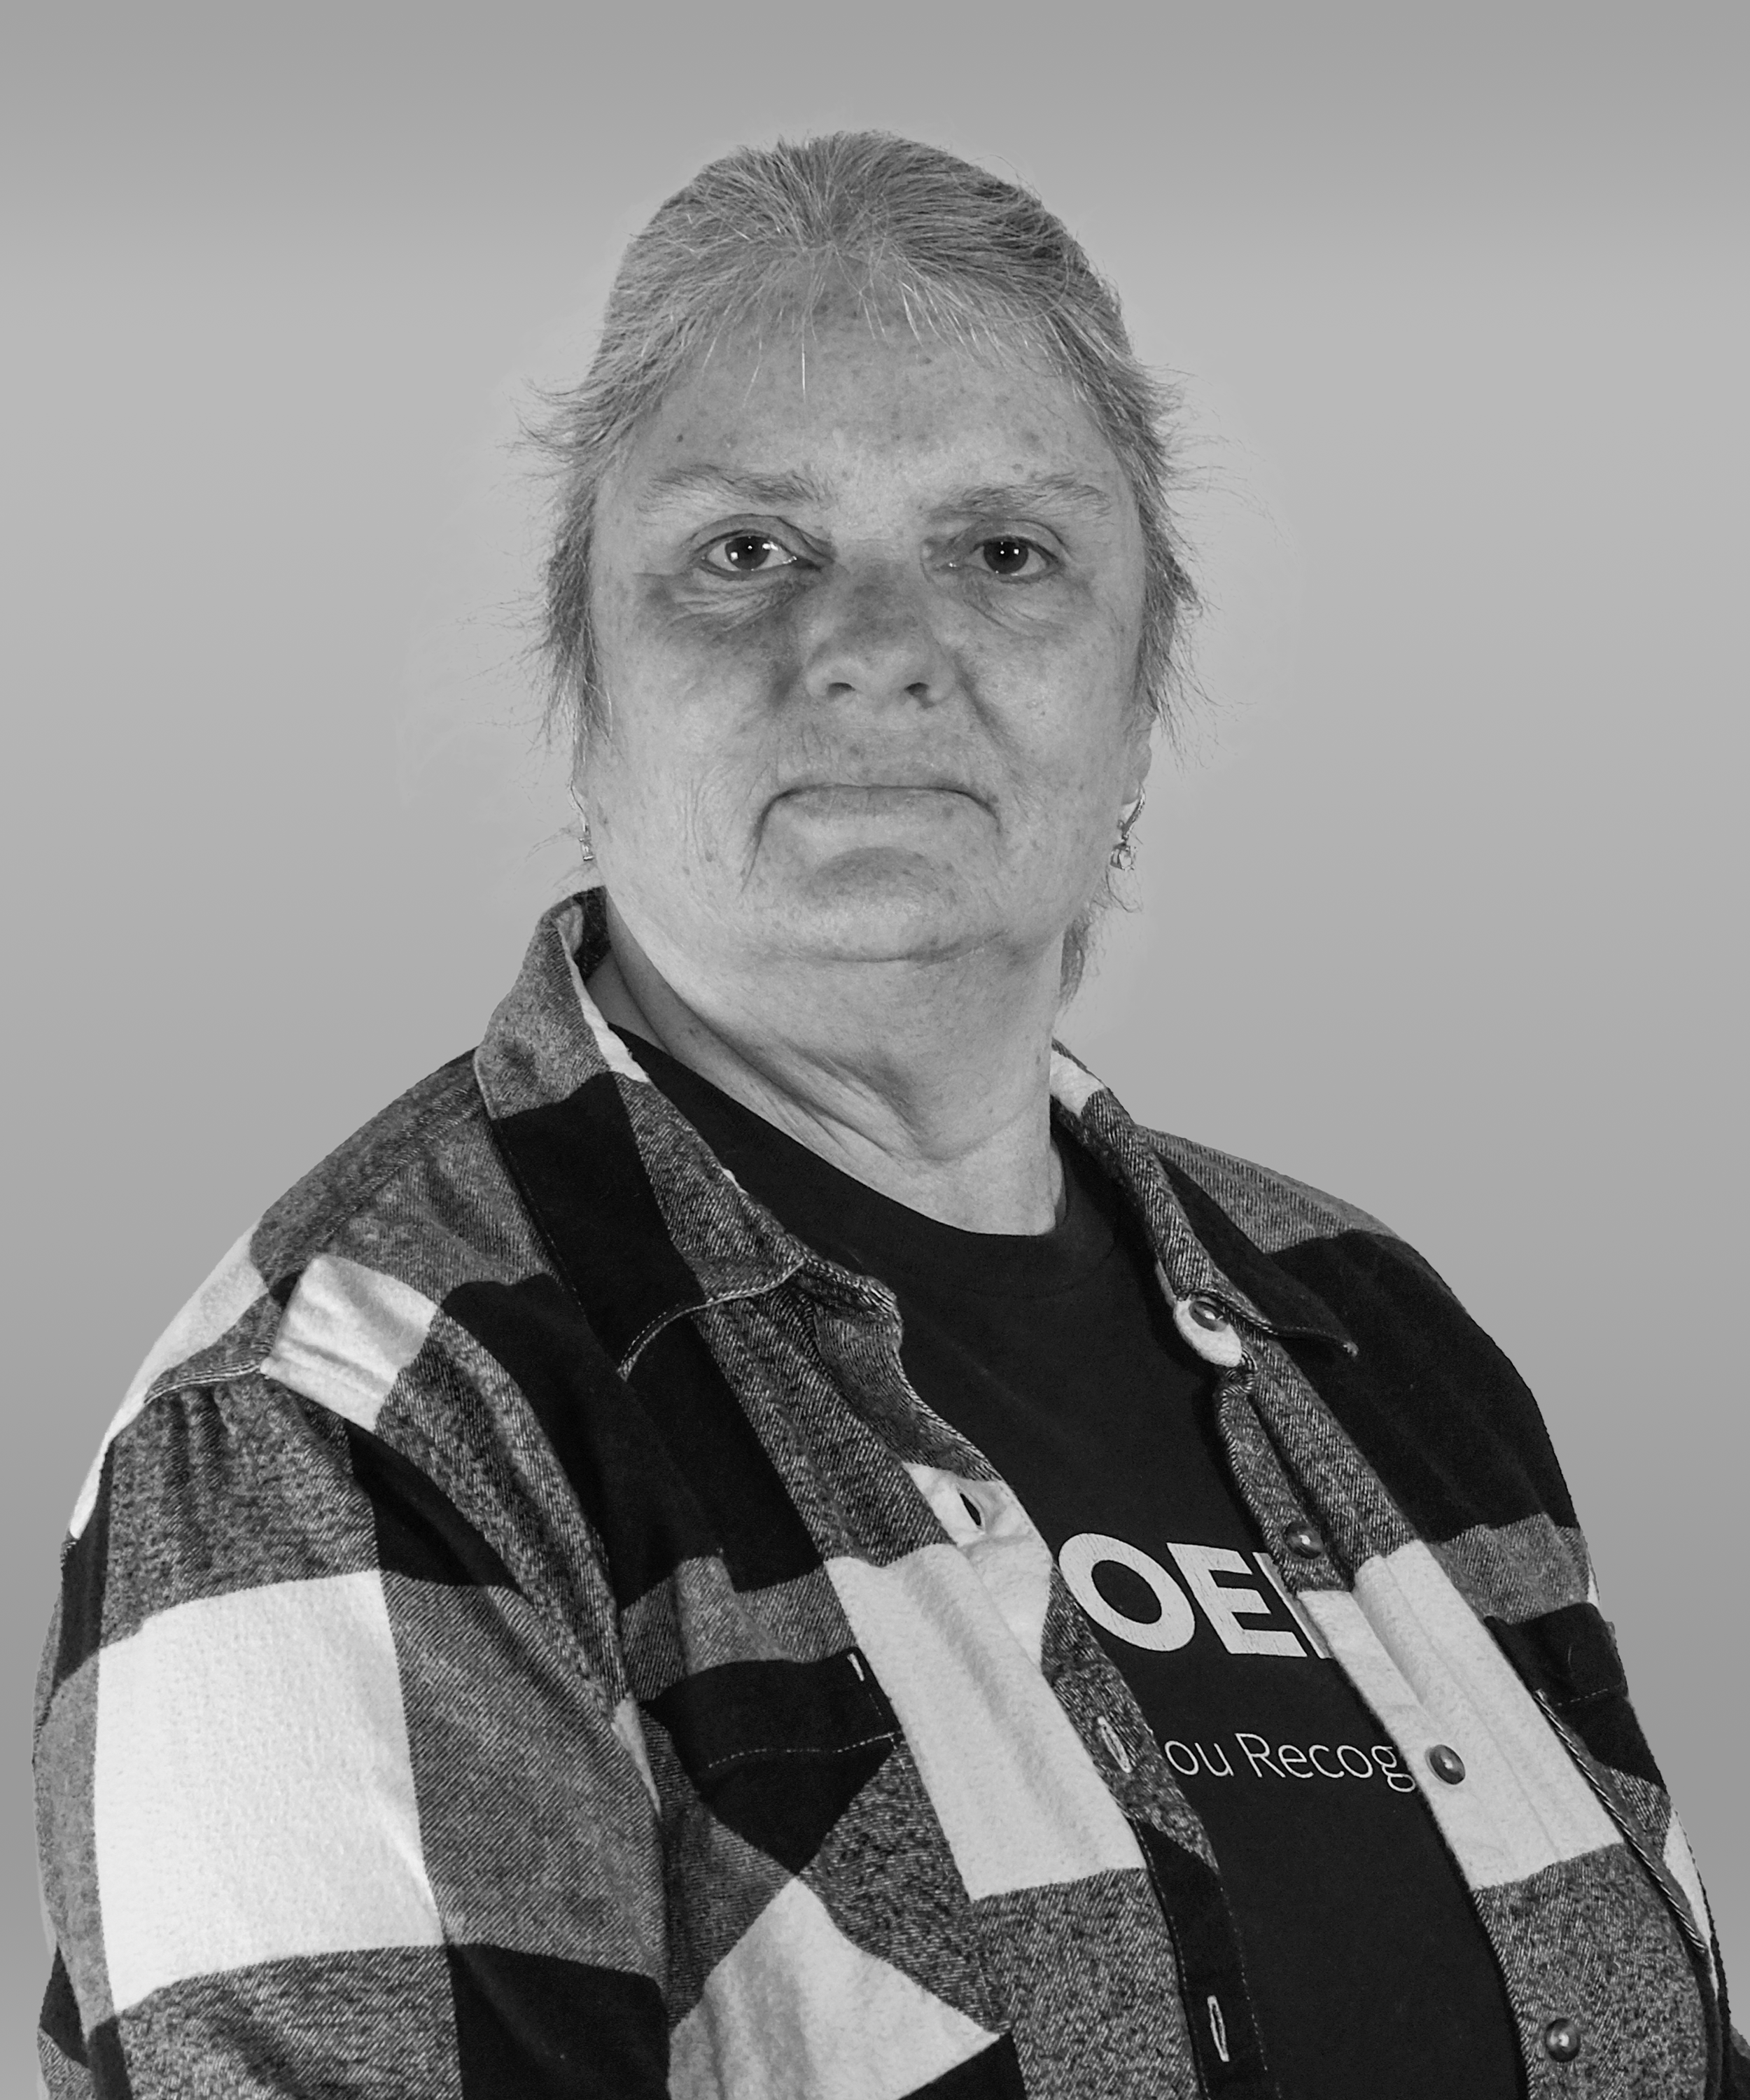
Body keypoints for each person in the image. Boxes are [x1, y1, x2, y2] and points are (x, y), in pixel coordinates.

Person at [33, 131, 1742, 2100]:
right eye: (742, 551)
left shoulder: (1373, 1340)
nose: (870, 648)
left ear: (1139, 685)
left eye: (1003, 553)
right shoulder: (357, 1420)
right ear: (581, 680)